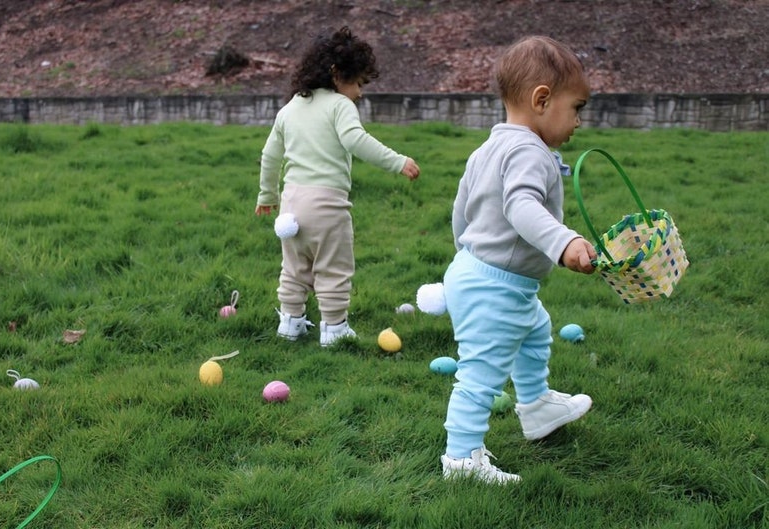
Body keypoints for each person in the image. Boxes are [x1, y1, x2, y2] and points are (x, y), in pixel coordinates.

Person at [440, 35, 597, 484]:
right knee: (481, 374)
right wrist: (564, 243)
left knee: (535, 331)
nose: (579, 122)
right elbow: (521, 207)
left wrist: (464, 256)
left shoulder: (488, 147)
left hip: (477, 272)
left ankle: (535, 406)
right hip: (496, 285)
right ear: (542, 100)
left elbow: (461, 209)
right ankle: (462, 460)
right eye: (577, 108)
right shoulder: (530, 151)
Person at [255, 26, 420, 347]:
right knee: (333, 268)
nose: (359, 92)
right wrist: (397, 161)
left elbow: (269, 155)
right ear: (335, 73)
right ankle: (334, 328)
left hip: (290, 208)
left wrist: (267, 195)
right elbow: (355, 140)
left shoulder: (289, 108)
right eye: (357, 82)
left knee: (294, 267)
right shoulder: (340, 106)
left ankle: (290, 323)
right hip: (327, 207)